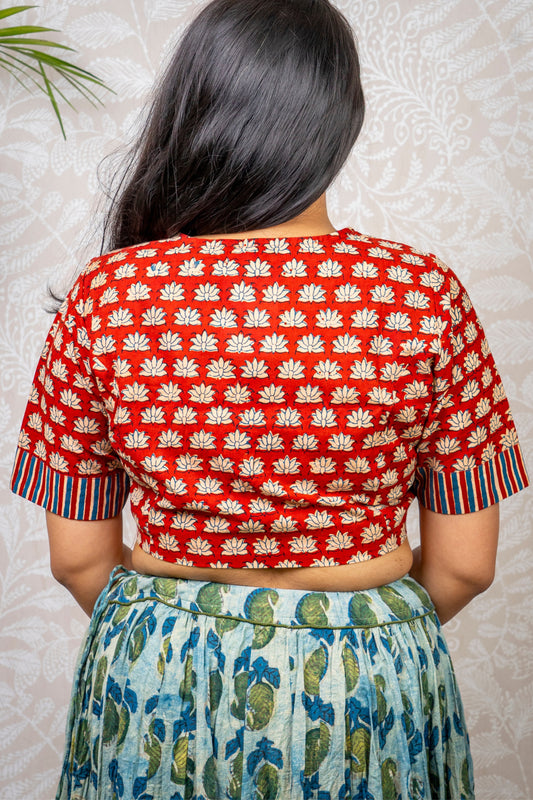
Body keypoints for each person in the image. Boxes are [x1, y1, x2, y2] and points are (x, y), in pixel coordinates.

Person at [10, 0, 529, 797]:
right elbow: (464, 568)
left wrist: (174, 635)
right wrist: (359, 633)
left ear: (195, 108)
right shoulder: (423, 295)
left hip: (155, 661)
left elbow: (78, 556)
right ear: (340, 122)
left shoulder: (108, 295)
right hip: (370, 670)